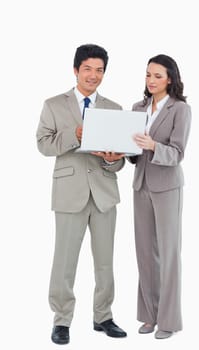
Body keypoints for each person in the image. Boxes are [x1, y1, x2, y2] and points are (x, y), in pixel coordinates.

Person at [36, 44, 127, 345]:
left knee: (105, 261)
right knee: (64, 261)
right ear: (76, 70)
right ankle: (61, 320)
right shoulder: (53, 104)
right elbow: (43, 144)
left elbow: (119, 160)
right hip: (69, 192)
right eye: (87, 68)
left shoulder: (113, 108)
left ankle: (103, 316)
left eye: (99, 70)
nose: (93, 75)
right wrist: (74, 134)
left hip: (104, 193)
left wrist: (114, 159)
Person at [129, 54, 191, 339]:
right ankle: (149, 315)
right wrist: (122, 150)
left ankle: (168, 320)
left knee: (168, 254)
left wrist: (153, 145)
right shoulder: (137, 107)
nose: (151, 80)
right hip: (141, 183)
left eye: (157, 76)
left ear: (170, 78)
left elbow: (177, 154)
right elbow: (133, 150)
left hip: (167, 187)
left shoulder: (180, 109)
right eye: (148, 75)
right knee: (144, 253)